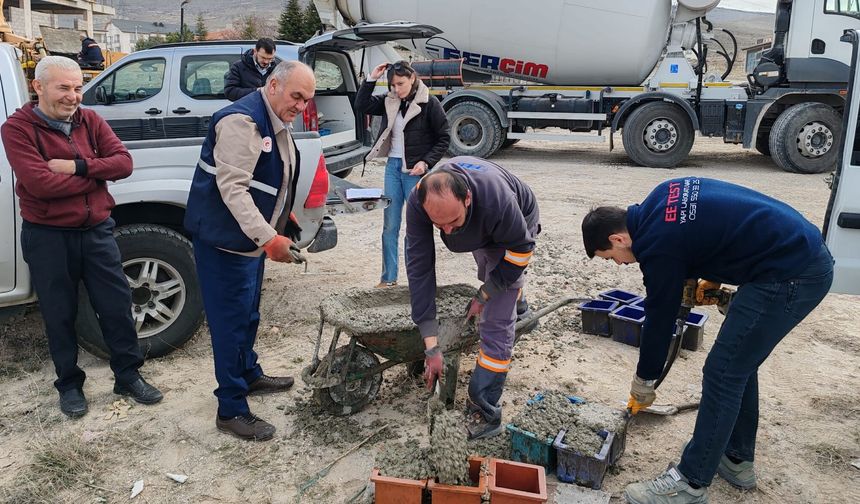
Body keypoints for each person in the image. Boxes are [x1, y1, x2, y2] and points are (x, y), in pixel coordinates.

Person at [581, 177, 833, 504]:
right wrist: (706, 277)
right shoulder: (661, 197)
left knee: (724, 372)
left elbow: (659, 314)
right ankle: (736, 459)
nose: (618, 264)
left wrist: (644, 380)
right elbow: (712, 224)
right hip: (795, 252)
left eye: (610, 256)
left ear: (618, 238)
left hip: (790, 274)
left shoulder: (657, 244)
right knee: (739, 362)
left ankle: (690, 483)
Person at [0, 56, 163, 418]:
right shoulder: (17, 128)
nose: (73, 97)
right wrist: (98, 176)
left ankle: (127, 375)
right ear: (38, 87)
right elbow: (40, 184)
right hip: (48, 236)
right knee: (59, 313)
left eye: (77, 88)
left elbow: (124, 163)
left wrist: (78, 166)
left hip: (97, 231)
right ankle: (70, 384)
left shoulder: (89, 120)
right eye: (64, 88)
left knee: (117, 307)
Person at [184, 61, 315, 441]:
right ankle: (231, 408)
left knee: (249, 314)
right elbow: (234, 189)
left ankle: (248, 373)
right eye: (296, 96)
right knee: (229, 324)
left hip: (249, 241)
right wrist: (268, 238)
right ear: (273, 85)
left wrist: (282, 215)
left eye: (307, 99)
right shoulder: (243, 123)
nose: (301, 106)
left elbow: (274, 176)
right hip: (226, 242)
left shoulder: (275, 119)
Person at [406, 156, 539, 439]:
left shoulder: (496, 202)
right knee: (488, 269)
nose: (447, 231)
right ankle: (519, 302)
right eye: (439, 226)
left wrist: (487, 292)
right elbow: (420, 269)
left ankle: (486, 411)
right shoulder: (418, 200)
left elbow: (521, 250)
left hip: (518, 224)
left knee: (495, 321)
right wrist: (431, 345)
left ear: (467, 198)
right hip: (483, 225)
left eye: (453, 221)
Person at [355, 60, 450, 288]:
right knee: (390, 225)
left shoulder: (429, 103)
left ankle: (420, 280)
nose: (396, 89)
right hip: (392, 168)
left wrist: (426, 163)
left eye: (400, 83)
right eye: (393, 84)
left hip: (414, 172)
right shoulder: (391, 100)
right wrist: (371, 78)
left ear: (412, 78)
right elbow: (361, 105)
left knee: (417, 227)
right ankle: (388, 279)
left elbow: (444, 137)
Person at [224, 37, 282, 102]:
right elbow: (230, 92)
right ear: (255, 51)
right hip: (246, 110)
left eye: (270, 59)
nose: (266, 62)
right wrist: (256, 91)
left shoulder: (277, 69)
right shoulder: (238, 67)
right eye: (263, 57)